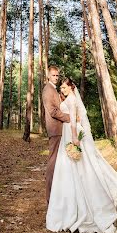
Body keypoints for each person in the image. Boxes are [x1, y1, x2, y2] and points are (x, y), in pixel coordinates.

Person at [46, 77, 117, 233]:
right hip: (68, 133)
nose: (62, 90)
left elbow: (72, 121)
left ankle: (80, 208)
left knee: (77, 167)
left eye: (64, 87)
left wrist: (74, 138)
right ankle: (71, 204)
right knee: (71, 167)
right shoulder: (69, 98)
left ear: (71, 88)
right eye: (62, 88)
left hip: (71, 133)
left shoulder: (71, 101)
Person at [42, 66, 70, 203]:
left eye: (57, 75)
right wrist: (68, 117)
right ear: (48, 76)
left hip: (60, 130)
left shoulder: (54, 89)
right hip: (55, 130)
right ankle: (50, 198)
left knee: (59, 162)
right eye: (53, 75)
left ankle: (57, 194)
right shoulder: (48, 90)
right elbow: (53, 111)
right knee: (53, 162)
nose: (56, 78)